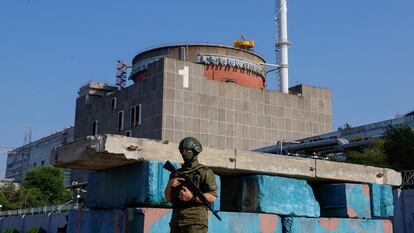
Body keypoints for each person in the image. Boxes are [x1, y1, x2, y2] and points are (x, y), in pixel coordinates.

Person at [164, 137, 218, 233]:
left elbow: (212, 197)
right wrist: (169, 185)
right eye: (182, 150)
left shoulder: (204, 172)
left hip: (195, 222)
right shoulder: (175, 173)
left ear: (196, 150)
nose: (183, 153)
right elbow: (169, 199)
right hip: (177, 221)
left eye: (187, 150)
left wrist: (192, 197)